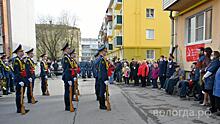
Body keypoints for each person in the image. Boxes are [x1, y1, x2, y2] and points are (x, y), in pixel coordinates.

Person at [12, 44, 29, 114]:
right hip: (19, 80)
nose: (22, 52)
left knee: (22, 94)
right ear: (18, 52)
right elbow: (16, 72)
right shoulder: (16, 60)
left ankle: (22, 106)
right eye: (21, 51)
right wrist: (19, 81)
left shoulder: (21, 60)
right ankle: (19, 108)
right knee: (19, 94)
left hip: (23, 79)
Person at [61, 43, 75, 111]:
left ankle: (69, 104)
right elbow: (66, 69)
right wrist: (68, 79)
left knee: (70, 91)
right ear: (65, 50)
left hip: (69, 76)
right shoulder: (65, 58)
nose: (70, 49)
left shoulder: (68, 57)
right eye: (68, 48)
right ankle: (67, 106)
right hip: (67, 77)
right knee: (67, 92)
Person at [97, 45, 108, 110]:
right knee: (102, 91)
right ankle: (102, 105)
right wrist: (105, 79)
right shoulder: (102, 59)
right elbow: (103, 70)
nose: (106, 52)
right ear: (101, 52)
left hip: (100, 77)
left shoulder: (100, 59)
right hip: (102, 78)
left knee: (102, 91)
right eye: (105, 51)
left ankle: (102, 105)